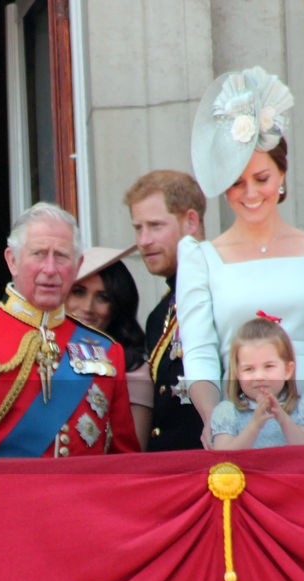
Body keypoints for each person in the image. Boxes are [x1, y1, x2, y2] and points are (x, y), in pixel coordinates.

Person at [179, 67, 304, 446]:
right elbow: (200, 351)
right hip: (242, 425)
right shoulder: (201, 258)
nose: (250, 193)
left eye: (261, 178)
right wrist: (214, 420)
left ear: (282, 175)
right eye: (237, 182)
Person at [0, 202, 138, 457]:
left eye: (61, 256)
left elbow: (124, 460)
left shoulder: (107, 350)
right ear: (13, 261)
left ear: (77, 265)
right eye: (38, 254)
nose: (50, 269)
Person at [124, 170, 206, 451]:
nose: (144, 240)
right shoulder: (159, 313)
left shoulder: (220, 292)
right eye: (138, 228)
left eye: (155, 226)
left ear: (191, 221)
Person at [67, 246, 151, 450]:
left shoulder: (133, 369)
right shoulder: (43, 349)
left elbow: (132, 456)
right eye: (78, 292)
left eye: (103, 298)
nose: (88, 307)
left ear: (118, 307)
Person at [211, 315, 304, 449]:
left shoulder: (301, 406)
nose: (259, 376)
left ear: (287, 370)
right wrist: (254, 426)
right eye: (249, 369)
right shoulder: (228, 411)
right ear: (238, 374)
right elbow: (223, 458)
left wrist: (282, 418)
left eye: (268, 366)